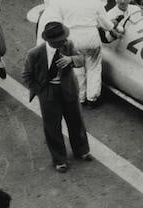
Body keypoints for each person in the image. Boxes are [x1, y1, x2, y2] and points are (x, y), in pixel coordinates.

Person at [22, 21, 92, 173]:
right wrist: (40, 91)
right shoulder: (34, 54)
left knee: (76, 121)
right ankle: (60, 159)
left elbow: (81, 59)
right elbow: (26, 76)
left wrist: (71, 59)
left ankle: (82, 150)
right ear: (50, 41)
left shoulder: (68, 45)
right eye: (60, 39)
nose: (64, 40)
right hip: (49, 92)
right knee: (52, 127)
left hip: (68, 89)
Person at [59, 0, 119, 107]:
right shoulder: (94, 1)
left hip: (73, 38)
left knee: (77, 68)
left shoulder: (64, 2)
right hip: (91, 37)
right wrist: (113, 25)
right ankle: (92, 98)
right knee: (94, 67)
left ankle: (80, 97)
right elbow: (107, 25)